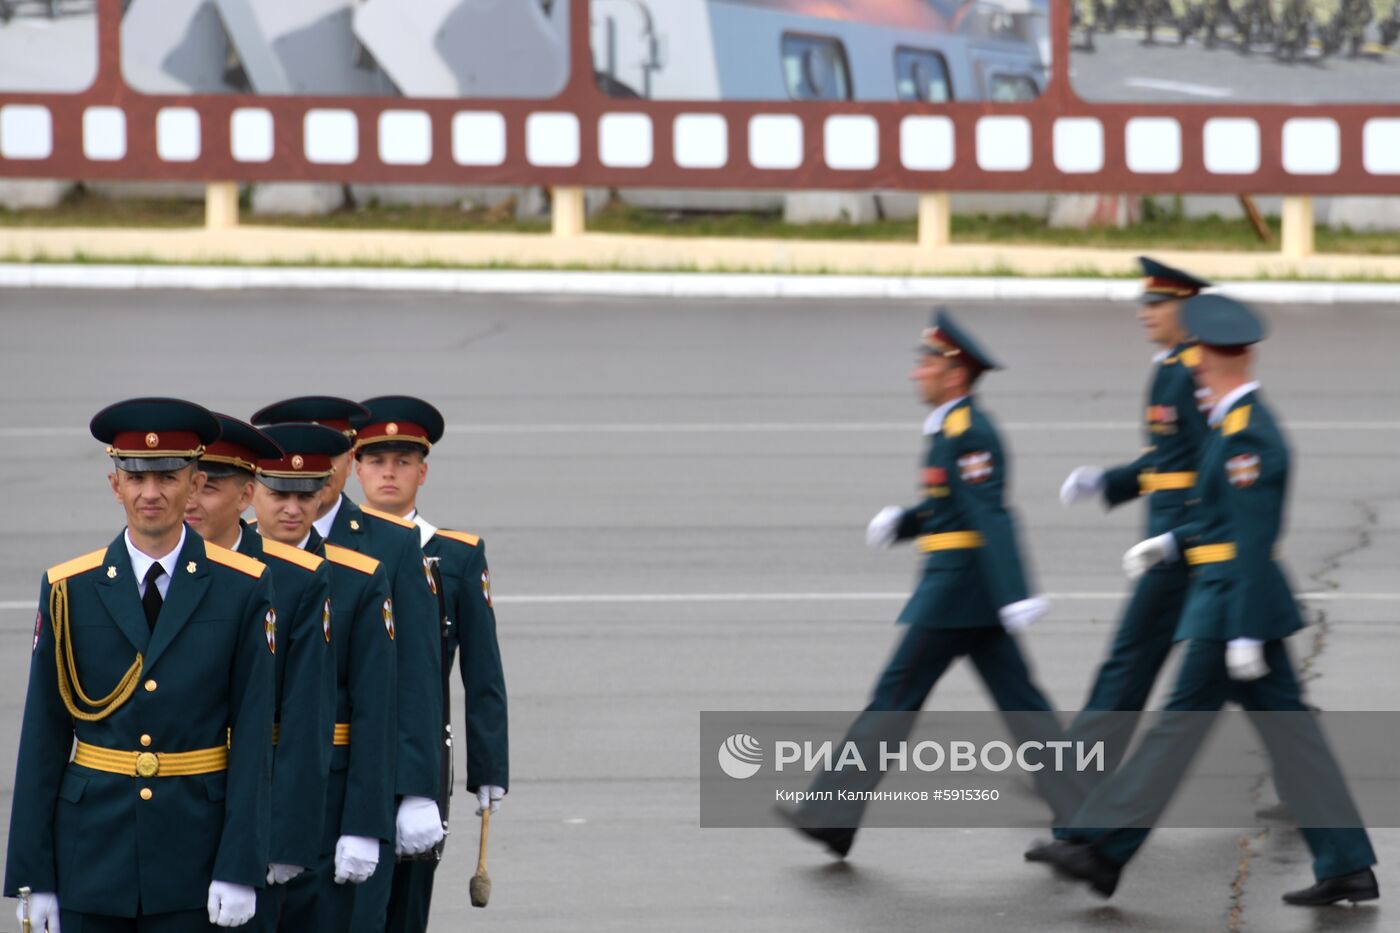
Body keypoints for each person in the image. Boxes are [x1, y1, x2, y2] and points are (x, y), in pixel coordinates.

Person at [1041, 295, 1380, 907]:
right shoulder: (1229, 427)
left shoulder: (1251, 433)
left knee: (1176, 729)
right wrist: (1169, 544)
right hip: (1229, 604)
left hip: (1233, 610)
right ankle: (1347, 863)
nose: (1193, 376)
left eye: (1201, 365)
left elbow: (1252, 538)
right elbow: (1220, 520)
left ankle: (1097, 848)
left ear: (1230, 362)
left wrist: (1247, 631)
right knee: (1290, 736)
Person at [778, 308, 1074, 858]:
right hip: (966, 592)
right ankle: (1086, 817)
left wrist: (1017, 591)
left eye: (927, 361)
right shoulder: (951, 430)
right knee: (1024, 708)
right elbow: (953, 507)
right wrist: (907, 522)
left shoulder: (967, 433)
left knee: (894, 697)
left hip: (956, 592)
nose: (917, 372)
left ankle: (832, 814)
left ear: (955, 373)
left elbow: (990, 513)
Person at [5, 397, 274, 931]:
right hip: (90, 855)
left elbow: (252, 735)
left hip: (193, 856)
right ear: (115, 486)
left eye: (169, 477)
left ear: (195, 486)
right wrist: (34, 874)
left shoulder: (241, 587)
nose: (151, 493)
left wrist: (240, 866)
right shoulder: (68, 589)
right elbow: (43, 737)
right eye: (136, 478)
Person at [1026, 260, 1210, 861]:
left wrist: (1180, 539)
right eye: (1144, 302)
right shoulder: (1168, 371)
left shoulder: (1195, 373)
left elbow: (1212, 469)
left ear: (1184, 307)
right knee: (1260, 686)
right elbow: (1162, 460)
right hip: (1178, 538)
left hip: (1187, 544)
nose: (1144, 312)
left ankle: (1074, 782)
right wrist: (1106, 482)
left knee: (1129, 664)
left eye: (1156, 303)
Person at [351, 396, 510, 933]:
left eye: (402, 461)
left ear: (424, 470)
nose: (389, 472)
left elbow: (482, 674)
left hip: (418, 758)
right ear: (355, 467)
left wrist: (488, 771)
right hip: (346, 756)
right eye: (376, 460)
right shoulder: (328, 551)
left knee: (404, 910)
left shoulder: (457, 556)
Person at [186, 415, 337, 931]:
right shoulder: (148, 575)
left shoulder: (293, 582)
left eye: (211, 485)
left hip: (253, 820)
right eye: (187, 479)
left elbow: (304, 721)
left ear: (247, 494)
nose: (191, 498)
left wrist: (282, 840)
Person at [252, 422, 397, 932]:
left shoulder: (357, 580)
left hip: (328, 798)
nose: (293, 508)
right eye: (279, 493)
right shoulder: (223, 570)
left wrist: (363, 824)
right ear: (253, 492)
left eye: (307, 494)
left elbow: (375, 709)